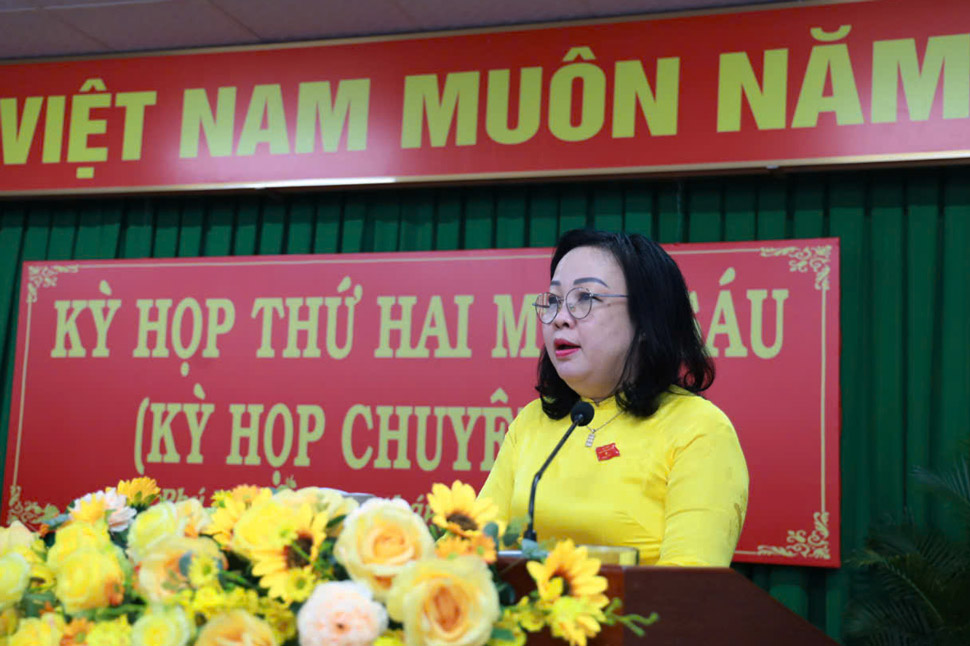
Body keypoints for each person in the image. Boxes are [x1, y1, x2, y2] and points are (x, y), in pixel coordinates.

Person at [479, 229, 748, 566]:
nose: (561, 318)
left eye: (586, 299)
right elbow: (470, 547)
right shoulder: (533, 422)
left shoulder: (699, 429)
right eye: (554, 300)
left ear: (647, 320)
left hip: (638, 618)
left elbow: (687, 588)